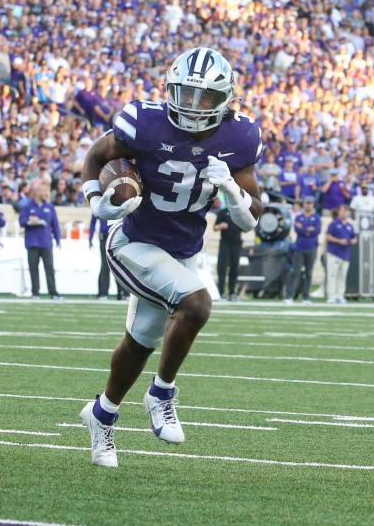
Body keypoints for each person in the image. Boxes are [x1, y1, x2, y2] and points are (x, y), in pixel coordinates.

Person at [78, 47, 262, 468]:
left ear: (226, 99)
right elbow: (95, 156)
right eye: (186, 94)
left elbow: (251, 219)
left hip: (183, 250)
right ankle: (161, 394)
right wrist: (97, 202)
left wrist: (233, 192)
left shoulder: (240, 137)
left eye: (205, 98)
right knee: (196, 304)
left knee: (141, 341)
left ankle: (102, 414)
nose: (194, 107)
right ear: (169, 89)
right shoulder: (145, 121)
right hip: (133, 241)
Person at [19, 182, 62, 299]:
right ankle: (35, 292)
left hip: (46, 242)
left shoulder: (49, 206)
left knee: (49, 268)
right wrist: (30, 220)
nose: (44, 193)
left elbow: (55, 224)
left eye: (45, 190)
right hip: (32, 242)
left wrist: (58, 239)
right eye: (41, 190)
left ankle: (53, 292)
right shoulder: (28, 206)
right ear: (35, 192)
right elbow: (21, 222)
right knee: (33, 269)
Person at [284, 196, 321, 304]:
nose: (308, 205)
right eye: (306, 203)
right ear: (304, 204)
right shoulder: (299, 217)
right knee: (296, 272)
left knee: (308, 274)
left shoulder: (316, 218)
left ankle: (306, 297)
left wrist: (304, 228)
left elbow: (316, 231)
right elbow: (297, 230)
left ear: (313, 205)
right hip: (300, 247)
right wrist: (308, 229)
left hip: (312, 248)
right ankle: (290, 296)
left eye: (310, 203)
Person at [324, 205, 357, 304]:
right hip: (334, 253)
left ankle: (340, 295)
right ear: (338, 212)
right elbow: (328, 237)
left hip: (345, 254)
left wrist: (353, 241)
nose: (344, 213)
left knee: (342, 276)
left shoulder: (349, 226)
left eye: (346, 211)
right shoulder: (333, 224)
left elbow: (354, 238)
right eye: (342, 211)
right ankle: (331, 295)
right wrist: (338, 241)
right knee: (332, 275)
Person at [213, 198, 244, 301]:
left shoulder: (239, 213)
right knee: (222, 268)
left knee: (234, 268)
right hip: (225, 243)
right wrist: (220, 226)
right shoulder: (222, 212)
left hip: (237, 243)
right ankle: (220, 293)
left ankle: (232, 293)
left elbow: (246, 227)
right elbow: (215, 228)